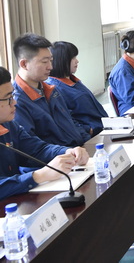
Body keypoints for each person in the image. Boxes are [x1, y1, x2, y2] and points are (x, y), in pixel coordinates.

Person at [0, 66, 89, 200]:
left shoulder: (9, 125)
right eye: (8, 98)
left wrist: (67, 152)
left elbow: (37, 149)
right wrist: (39, 176)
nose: (14, 102)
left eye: (12, 96)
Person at [12, 34, 90, 147]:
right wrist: (68, 152)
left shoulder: (51, 90)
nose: (50, 67)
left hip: (78, 149)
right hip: (60, 156)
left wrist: (88, 141)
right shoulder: (17, 102)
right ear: (24, 64)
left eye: (51, 60)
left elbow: (70, 120)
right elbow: (31, 146)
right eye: (44, 62)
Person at [47, 41, 108, 136]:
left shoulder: (73, 80)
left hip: (102, 127)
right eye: (73, 58)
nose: (77, 61)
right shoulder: (55, 88)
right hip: (91, 134)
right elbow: (66, 119)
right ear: (61, 60)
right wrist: (88, 130)